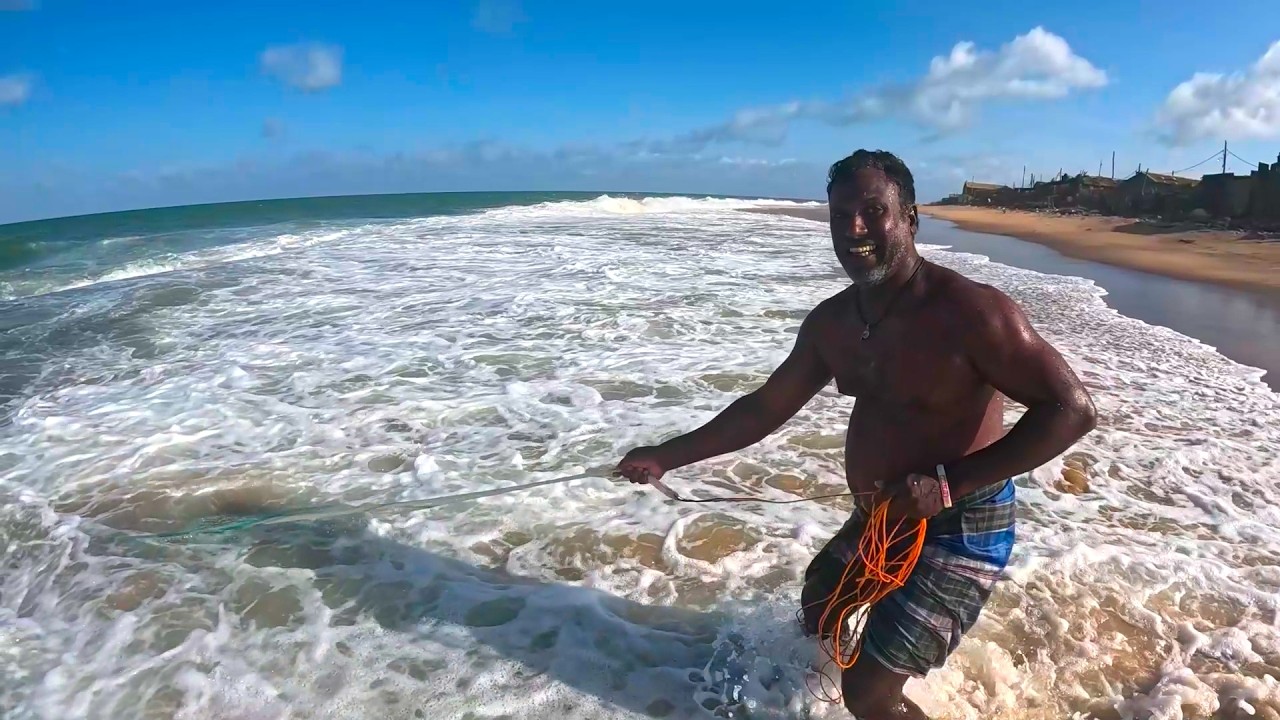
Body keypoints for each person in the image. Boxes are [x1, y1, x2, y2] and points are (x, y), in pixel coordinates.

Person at [615, 149, 1097, 719]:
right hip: (884, 516)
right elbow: (766, 407)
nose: (854, 229)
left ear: (910, 218)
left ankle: (881, 688)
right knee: (821, 605)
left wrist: (947, 485)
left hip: (962, 519)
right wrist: (665, 456)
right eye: (840, 216)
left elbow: (1071, 410)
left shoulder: (971, 313)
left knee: (867, 694)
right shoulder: (834, 323)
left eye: (873, 211)